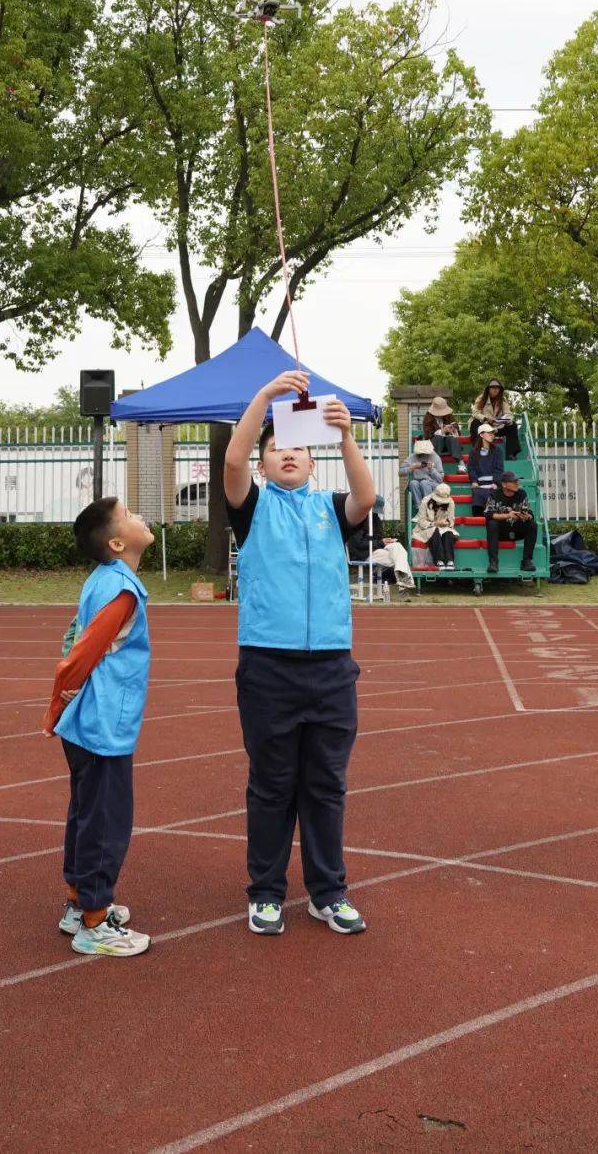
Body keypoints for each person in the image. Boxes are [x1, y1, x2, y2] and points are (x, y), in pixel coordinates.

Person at [224, 368, 376, 937]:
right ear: (263, 464)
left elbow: (367, 496)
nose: (286, 454)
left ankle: (327, 891)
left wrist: (346, 437)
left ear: (312, 462)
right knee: (271, 783)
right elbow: (231, 465)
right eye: (275, 448)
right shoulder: (253, 508)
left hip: (332, 667)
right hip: (268, 666)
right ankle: (265, 892)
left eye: (296, 447)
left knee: (326, 784)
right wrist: (263, 397)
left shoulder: (331, 510)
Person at [41, 497, 156, 958]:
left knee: (87, 812)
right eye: (129, 516)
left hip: (92, 719)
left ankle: (78, 903)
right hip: (102, 719)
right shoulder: (121, 590)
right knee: (106, 820)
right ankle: (94, 920)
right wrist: (57, 704)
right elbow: (80, 651)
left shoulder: (105, 580)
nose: (140, 517)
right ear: (115, 542)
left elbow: (72, 634)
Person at [347, 497, 416, 592]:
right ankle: (404, 584)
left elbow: (377, 540)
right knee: (398, 557)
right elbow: (358, 544)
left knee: (397, 546)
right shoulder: (357, 521)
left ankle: (403, 582)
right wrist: (381, 542)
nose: (375, 513)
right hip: (363, 554)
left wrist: (385, 541)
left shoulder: (375, 519)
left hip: (376, 550)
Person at [483, 470, 538, 574]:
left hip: (517, 528)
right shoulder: (494, 494)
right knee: (492, 524)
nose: (517, 483)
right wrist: (507, 515)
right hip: (501, 531)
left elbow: (530, 512)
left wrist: (527, 516)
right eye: (514, 481)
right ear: (504, 484)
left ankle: (526, 561)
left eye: (517, 481)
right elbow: (488, 514)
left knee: (532, 524)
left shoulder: (521, 493)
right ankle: (493, 562)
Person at [470, 379, 520, 459]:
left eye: (497, 387)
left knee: (513, 425)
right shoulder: (481, 398)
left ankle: (511, 454)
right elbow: (475, 413)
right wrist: (485, 419)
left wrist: (507, 420)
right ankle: (477, 450)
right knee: (475, 422)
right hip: (484, 426)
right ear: (488, 389)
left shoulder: (502, 400)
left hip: (497, 427)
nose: (495, 389)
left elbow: (509, 414)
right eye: (493, 387)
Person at [413, 482, 458, 568]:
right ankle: (439, 560)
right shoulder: (425, 501)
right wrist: (435, 523)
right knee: (434, 530)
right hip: (426, 528)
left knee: (448, 532)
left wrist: (447, 523)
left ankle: (450, 561)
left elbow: (452, 520)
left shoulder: (451, 502)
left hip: (443, 526)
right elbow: (421, 521)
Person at [465, 423, 504, 517]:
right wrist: (474, 481)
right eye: (489, 433)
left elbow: (499, 469)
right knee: (477, 497)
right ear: (481, 434)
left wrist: (496, 483)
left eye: (493, 433)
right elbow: (471, 468)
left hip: (493, 484)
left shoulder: (498, 450)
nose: (492, 435)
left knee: (495, 496)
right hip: (480, 485)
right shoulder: (473, 452)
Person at [399, 439, 444, 511]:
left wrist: (432, 470)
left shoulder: (435, 457)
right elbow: (400, 472)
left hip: (433, 483)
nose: (423, 455)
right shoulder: (412, 457)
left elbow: (440, 479)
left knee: (424, 483)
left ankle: (429, 508)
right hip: (417, 482)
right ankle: (420, 509)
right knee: (413, 483)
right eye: (421, 453)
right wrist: (412, 468)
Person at [427, 397, 462, 461]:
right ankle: (435, 461)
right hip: (435, 445)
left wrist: (453, 430)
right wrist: (442, 431)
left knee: (452, 438)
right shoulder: (428, 418)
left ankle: (459, 461)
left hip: (448, 444)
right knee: (438, 438)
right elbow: (428, 435)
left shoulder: (449, 416)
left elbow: (458, 432)